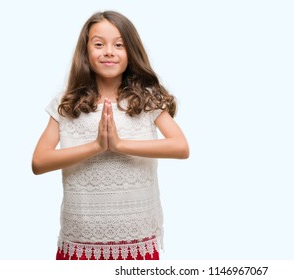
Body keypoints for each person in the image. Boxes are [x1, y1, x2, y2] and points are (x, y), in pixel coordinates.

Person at [32, 10, 189, 260]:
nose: (108, 51)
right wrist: (96, 146)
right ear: (86, 52)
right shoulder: (67, 103)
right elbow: (39, 162)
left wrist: (118, 144)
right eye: (98, 44)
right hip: (82, 236)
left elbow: (180, 147)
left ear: (131, 52)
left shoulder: (146, 99)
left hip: (136, 234)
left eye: (119, 45)